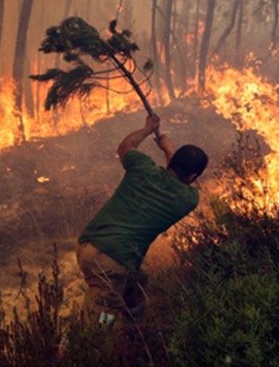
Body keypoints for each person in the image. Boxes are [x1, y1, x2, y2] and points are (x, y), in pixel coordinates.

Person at [76, 114, 208, 327]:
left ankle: (134, 329)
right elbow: (180, 181)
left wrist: (148, 129)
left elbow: (126, 146)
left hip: (88, 244)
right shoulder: (188, 199)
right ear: (193, 176)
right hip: (111, 261)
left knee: (136, 283)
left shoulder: (142, 166)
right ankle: (81, 347)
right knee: (102, 318)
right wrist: (169, 151)